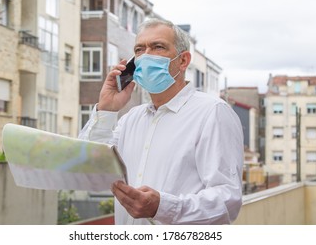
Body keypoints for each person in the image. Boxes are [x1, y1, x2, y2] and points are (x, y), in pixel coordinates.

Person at [79, 18, 244, 225]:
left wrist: (162, 207)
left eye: (158, 47)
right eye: (139, 50)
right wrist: (106, 108)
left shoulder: (212, 112)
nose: (146, 56)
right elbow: (90, 167)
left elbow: (227, 199)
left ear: (183, 61)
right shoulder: (131, 119)